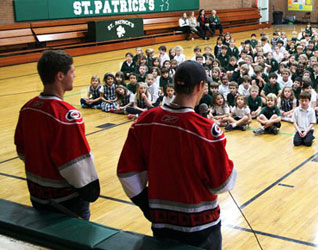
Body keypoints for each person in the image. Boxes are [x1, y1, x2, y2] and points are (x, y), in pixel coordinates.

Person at [117, 60, 236, 249]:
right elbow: (222, 184)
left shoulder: (145, 121)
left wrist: (146, 205)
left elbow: (126, 173)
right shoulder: (205, 130)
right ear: (200, 86)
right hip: (202, 226)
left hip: (162, 222)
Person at [14, 50, 100, 220]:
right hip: (66, 201)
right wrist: (90, 190)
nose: (74, 75)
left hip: (37, 195)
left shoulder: (28, 108)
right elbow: (76, 164)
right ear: (60, 76)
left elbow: (22, 150)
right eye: (72, 72)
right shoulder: (65, 115)